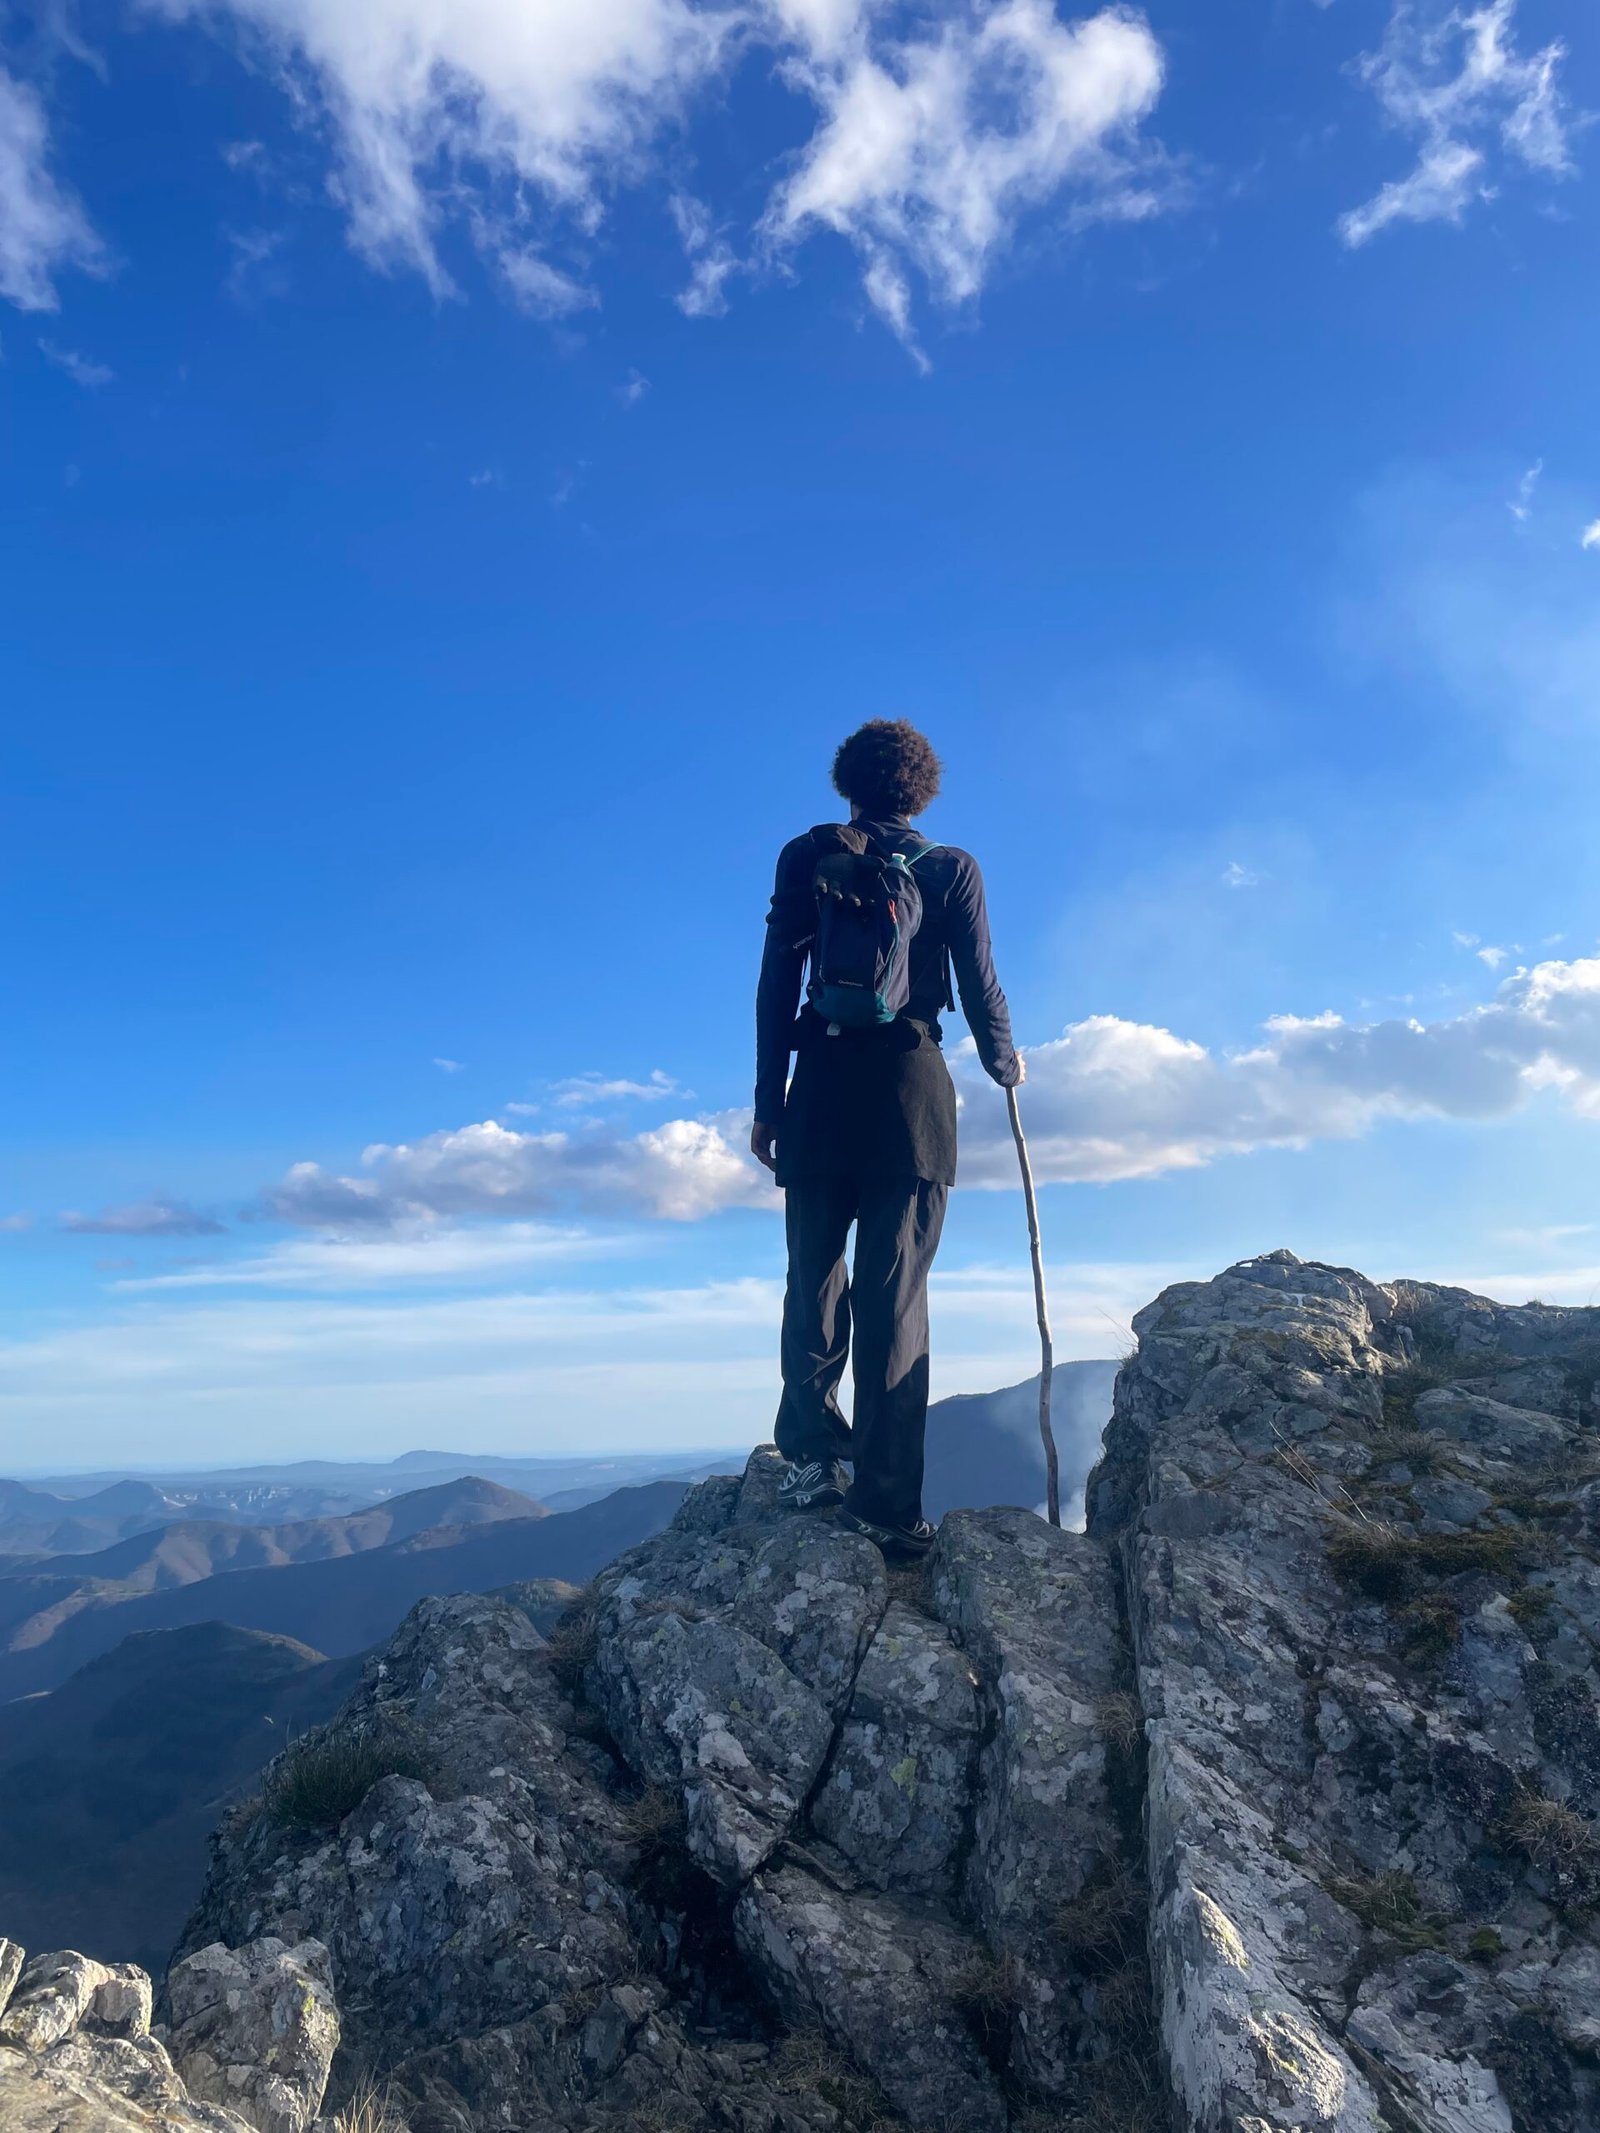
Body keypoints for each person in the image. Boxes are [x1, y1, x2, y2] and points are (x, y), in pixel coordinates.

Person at [752, 718, 1023, 1561]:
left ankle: (808, 1456)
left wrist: (769, 1099)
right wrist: (1004, 1060)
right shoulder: (950, 868)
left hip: (821, 1087)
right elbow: (979, 985)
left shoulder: (807, 855)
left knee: (813, 1275)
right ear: (923, 787)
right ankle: (885, 1504)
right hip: (912, 1089)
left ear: (848, 781)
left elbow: (774, 982)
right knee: (893, 1296)